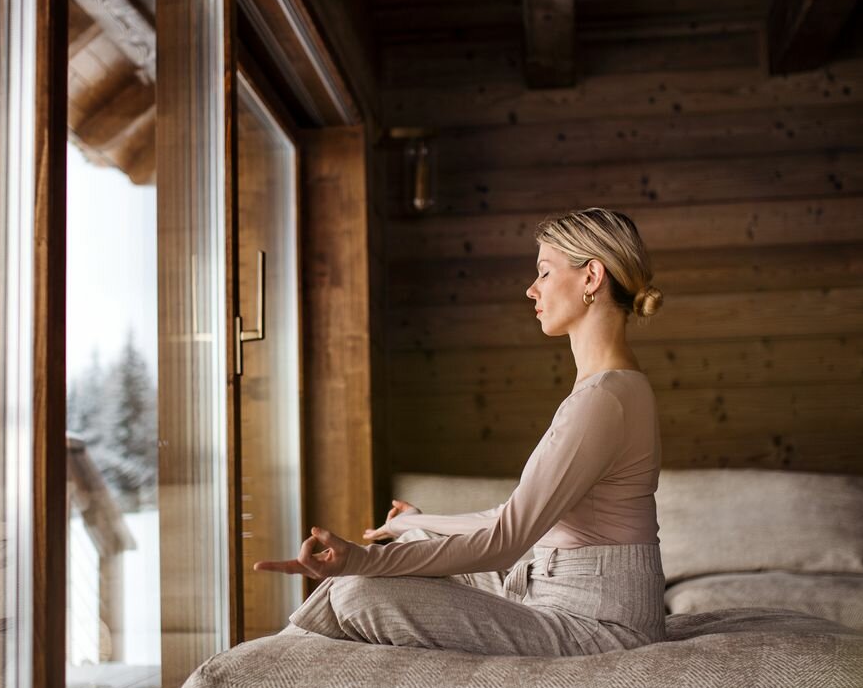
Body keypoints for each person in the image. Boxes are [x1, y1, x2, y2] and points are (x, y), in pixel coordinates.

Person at [254, 207, 668, 656]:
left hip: (597, 625)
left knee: (359, 587)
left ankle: (272, 668)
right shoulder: (610, 389)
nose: (531, 290)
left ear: (591, 278)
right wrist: (417, 522)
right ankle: (283, 657)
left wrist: (363, 559)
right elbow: (507, 518)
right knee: (411, 543)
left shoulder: (602, 400)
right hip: (560, 590)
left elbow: (504, 542)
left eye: (544, 273)